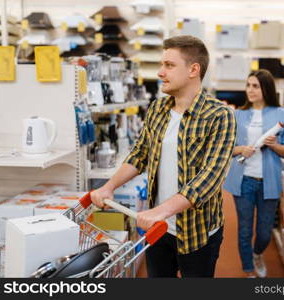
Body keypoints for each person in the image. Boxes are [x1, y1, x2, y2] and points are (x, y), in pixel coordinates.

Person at [90, 35, 236, 278]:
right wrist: (109, 187)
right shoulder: (158, 108)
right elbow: (140, 155)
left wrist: (161, 211)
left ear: (193, 70)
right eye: (161, 65)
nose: (160, 72)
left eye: (169, 65)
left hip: (198, 231)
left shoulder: (220, 115)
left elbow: (210, 178)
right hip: (158, 229)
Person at [223, 69, 284, 278]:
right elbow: (227, 147)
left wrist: (274, 145)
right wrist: (241, 149)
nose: (250, 90)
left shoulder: (282, 115)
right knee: (244, 230)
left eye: (255, 86)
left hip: (269, 181)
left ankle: (257, 254)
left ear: (266, 88)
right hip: (242, 181)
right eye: (248, 85)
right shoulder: (238, 114)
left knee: (264, 232)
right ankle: (248, 270)